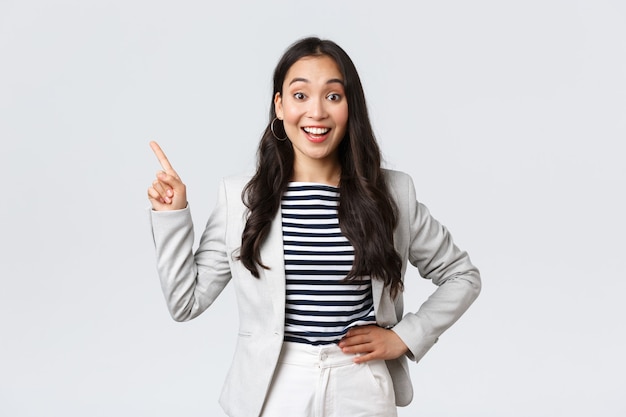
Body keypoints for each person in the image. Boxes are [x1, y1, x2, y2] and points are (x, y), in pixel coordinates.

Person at [147, 36, 481, 417]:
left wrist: (404, 338)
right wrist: (172, 215)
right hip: (274, 387)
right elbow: (185, 302)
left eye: (333, 96)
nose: (316, 112)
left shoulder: (391, 193)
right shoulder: (240, 197)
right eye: (300, 95)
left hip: (361, 385)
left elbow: (462, 275)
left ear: (350, 106)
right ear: (280, 106)